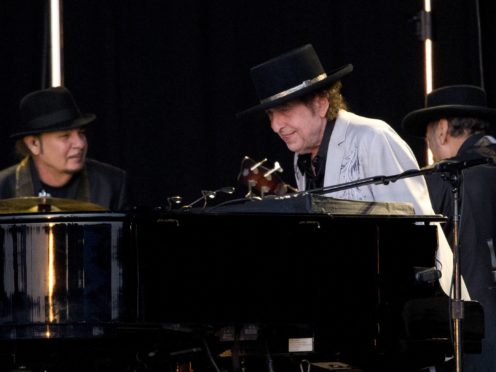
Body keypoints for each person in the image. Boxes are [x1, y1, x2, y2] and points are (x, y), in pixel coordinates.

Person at [239, 44, 464, 299]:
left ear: (321, 103)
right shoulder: (300, 158)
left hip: (418, 306)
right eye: (271, 114)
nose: (276, 125)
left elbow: (418, 226)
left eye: (285, 111)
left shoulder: (372, 137)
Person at [402, 84, 496, 372]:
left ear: (441, 129)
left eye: (429, 134)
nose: (429, 144)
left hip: (479, 339)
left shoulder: (445, 179)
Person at [0, 86, 128, 211]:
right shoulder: (4, 187)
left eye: (81, 133)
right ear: (34, 144)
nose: (80, 144)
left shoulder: (112, 184)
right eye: (65, 136)